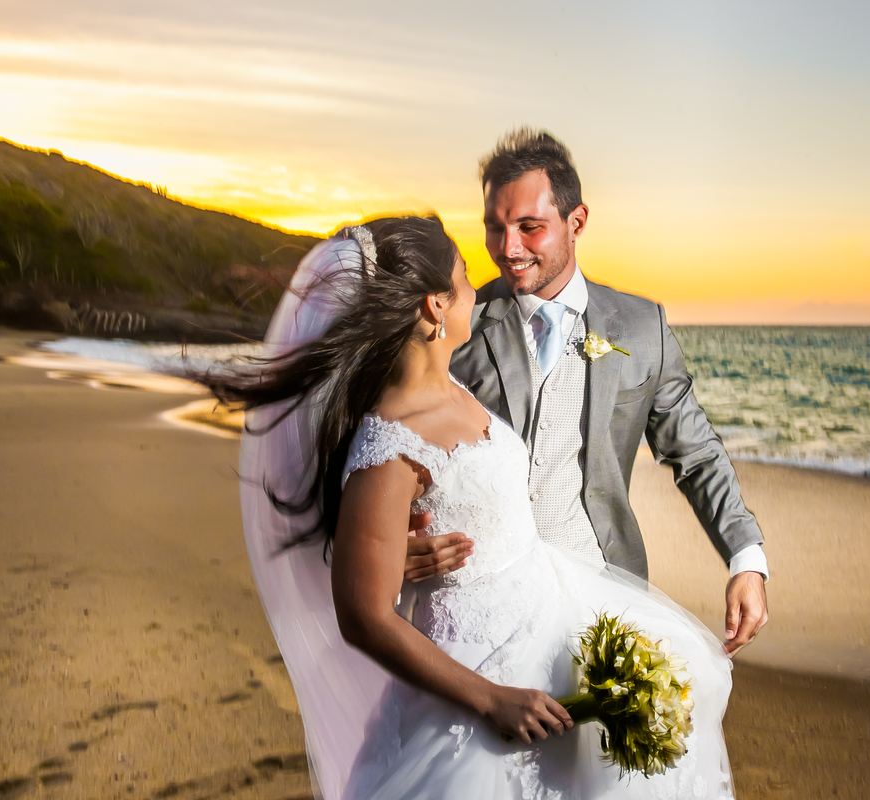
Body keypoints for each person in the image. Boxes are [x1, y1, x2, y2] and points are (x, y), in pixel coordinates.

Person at [204, 215, 735, 800]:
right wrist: (491, 698)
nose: (476, 287)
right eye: (462, 277)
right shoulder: (390, 444)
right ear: (435, 308)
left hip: (548, 620)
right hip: (476, 674)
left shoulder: (452, 385)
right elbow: (364, 617)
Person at [406, 130, 769, 656]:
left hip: (602, 598)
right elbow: (394, 442)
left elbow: (695, 452)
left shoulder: (643, 328)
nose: (508, 249)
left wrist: (746, 557)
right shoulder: (456, 328)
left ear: (576, 222)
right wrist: (393, 543)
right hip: (482, 604)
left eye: (530, 227)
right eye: (495, 228)